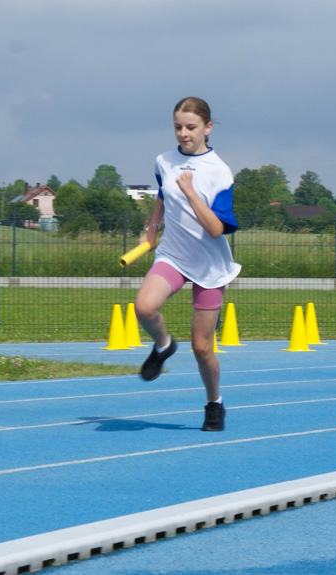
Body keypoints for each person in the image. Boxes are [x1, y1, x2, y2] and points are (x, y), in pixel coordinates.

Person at [134, 97, 241, 432]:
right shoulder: (164, 161)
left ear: (208, 128)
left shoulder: (220, 172)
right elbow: (163, 195)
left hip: (209, 265)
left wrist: (192, 193)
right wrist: (151, 230)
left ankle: (214, 403)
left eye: (191, 127)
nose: (183, 133)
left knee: (202, 347)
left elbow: (216, 229)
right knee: (144, 306)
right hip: (174, 255)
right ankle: (164, 345)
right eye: (178, 127)